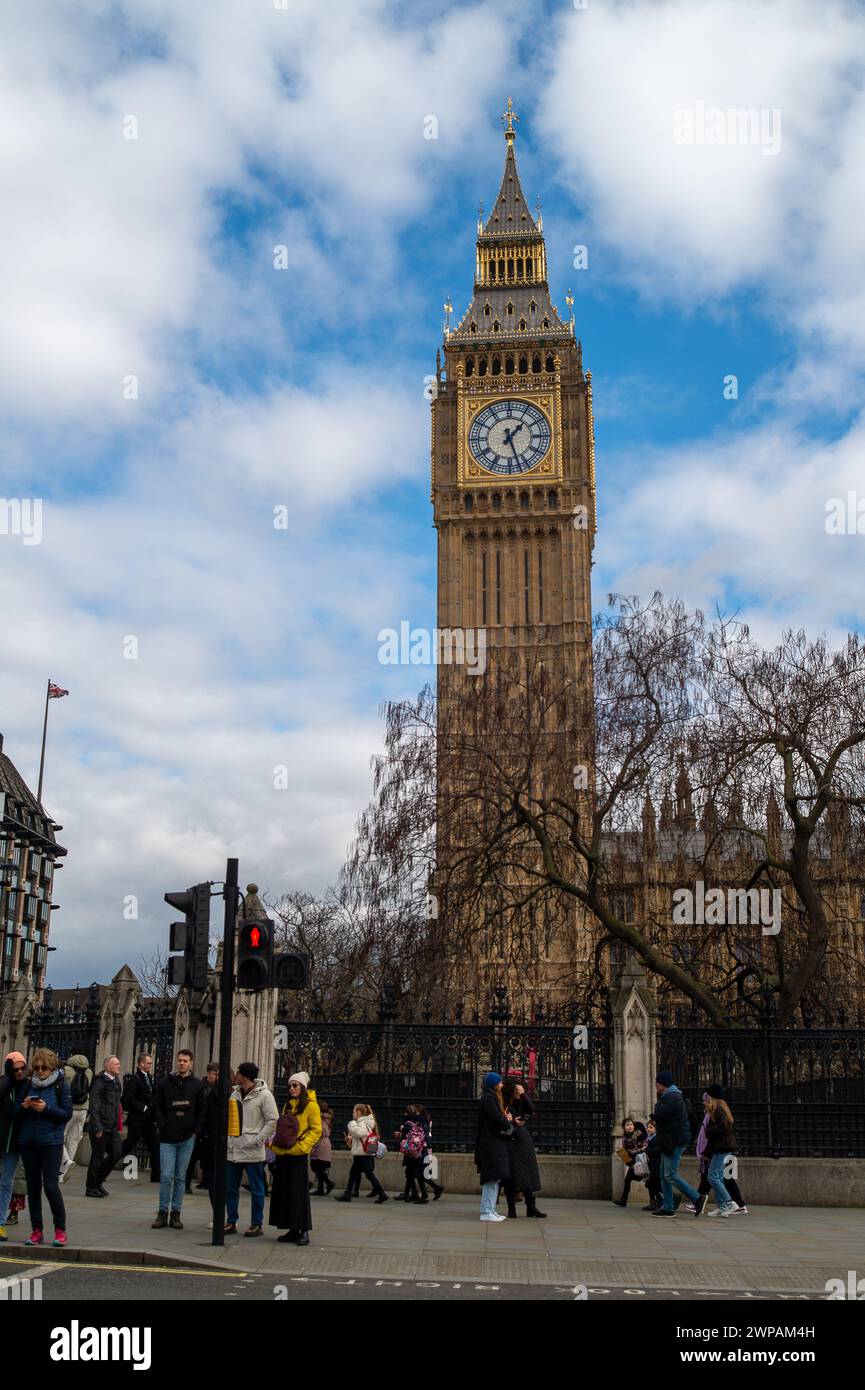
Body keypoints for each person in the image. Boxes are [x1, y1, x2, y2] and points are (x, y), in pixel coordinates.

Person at [17, 1047, 72, 1247]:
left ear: (52, 1067)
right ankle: (36, 1231)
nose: (40, 1072)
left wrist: (46, 1109)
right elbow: (15, 1113)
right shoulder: (28, 1085)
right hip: (28, 1142)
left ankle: (60, 1230)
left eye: (44, 1068)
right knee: (33, 1188)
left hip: (51, 1143)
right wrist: (23, 1107)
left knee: (50, 1186)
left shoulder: (61, 1086)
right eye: (37, 1068)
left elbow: (66, 1114)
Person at [151, 1049, 205, 1229]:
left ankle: (176, 1213)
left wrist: (196, 1130)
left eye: (185, 1061)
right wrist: (162, 1123)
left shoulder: (197, 1085)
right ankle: (162, 1212)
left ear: (191, 1063)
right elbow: (156, 1105)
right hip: (167, 1136)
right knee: (166, 1176)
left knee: (180, 1177)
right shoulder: (164, 1083)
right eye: (179, 1060)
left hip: (188, 1136)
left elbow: (202, 1109)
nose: (182, 1063)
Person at [224, 1062, 278, 1237]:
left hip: (253, 1150)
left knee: (256, 1188)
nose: (235, 1076)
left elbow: (273, 1121)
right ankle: (231, 1221)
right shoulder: (234, 1094)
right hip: (234, 1148)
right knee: (231, 1187)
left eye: (238, 1073)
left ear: (244, 1076)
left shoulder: (265, 1095)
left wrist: (258, 1140)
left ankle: (256, 1223)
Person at [269, 1071, 322, 1244]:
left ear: (303, 1087)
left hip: (297, 1154)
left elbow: (316, 1130)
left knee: (299, 1193)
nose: (291, 1088)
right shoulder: (288, 1105)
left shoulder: (311, 1106)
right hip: (284, 1152)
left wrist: (302, 1147)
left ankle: (304, 1230)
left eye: (295, 1085)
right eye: (290, 1085)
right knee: (286, 1192)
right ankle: (292, 1228)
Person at [651, 1069, 702, 1217]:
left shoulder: (671, 1097)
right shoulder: (671, 1096)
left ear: (663, 1083)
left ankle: (697, 1198)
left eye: (657, 1083)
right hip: (670, 1140)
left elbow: (659, 1114)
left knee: (670, 1174)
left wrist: (657, 1107)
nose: (655, 1085)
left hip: (673, 1141)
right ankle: (668, 1206)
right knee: (663, 1174)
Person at [501, 1079, 546, 1218]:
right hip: (511, 1141)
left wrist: (524, 1095)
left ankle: (531, 1207)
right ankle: (511, 1208)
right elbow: (504, 1118)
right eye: (517, 1091)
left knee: (529, 1174)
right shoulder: (503, 1103)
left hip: (523, 1141)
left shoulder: (521, 1101)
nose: (518, 1094)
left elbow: (531, 1109)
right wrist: (514, 1120)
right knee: (512, 1176)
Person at [474, 1071, 512, 1222]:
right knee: (492, 1177)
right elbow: (496, 1119)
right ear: (495, 1084)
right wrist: (506, 1119)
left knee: (495, 1178)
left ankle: (491, 1210)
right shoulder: (489, 1099)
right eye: (500, 1082)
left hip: (492, 1142)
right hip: (490, 1143)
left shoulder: (490, 1097)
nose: (502, 1084)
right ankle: (486, 1211)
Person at [335, 1102, 388, 1205]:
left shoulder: (362, 1123)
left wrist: (352, 1124)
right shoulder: (365, 1123)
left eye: (353, 1112)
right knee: (355, 1174)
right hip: (362, 1155)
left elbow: (359, 1132)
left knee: (368, 1175)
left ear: (359, 1112)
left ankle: (382, 1194)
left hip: (363, 1155)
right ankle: (347, 1194)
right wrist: (350, 1139)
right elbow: (360, 1136)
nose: (352, 1114)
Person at [85, 1055, 124, 1197]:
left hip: (112, 1126)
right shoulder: (100, 1082)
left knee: (116, 1153)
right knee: (97, 1157)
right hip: (100, 1127)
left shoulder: (116, 1082)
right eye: (115, 1064)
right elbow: (94, 1105)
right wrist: (97, 1127)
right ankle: (91, 1187)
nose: (118, 1066)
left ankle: (98, 1181)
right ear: (107, 1066)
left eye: (119, 1064)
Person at [0, 1052, 28, 1240]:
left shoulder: (27, 1086)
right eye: (15, 1069)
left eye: (22, 1068)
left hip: (14, 1143)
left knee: (6, 1183)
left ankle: (0, 1223)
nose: (19, 1072)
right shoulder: (3, 1084)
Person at [121, 1054, 160, 1184]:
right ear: (141, 1064)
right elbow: (128, 1098)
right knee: (128, 1144)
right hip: (137, 1120)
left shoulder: (148, 1078)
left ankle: (156, 1175)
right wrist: (143, 1107)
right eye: (148, 1063)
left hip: (148, 1120)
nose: (150, 1065)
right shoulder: (135, 1079)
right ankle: (109, 1161)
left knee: (155, 1146)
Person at [60, 1052, 92, 1181]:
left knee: (59, 1135)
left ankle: (66, 1161)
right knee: (74, 1140)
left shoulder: (66, 1071)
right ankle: (63, 1172)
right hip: (83, 1108)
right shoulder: (89, 1072)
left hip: (69, 1108)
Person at [395, 1103, 430, 1202]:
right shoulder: (420, 1121)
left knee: (413, 1174)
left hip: (411, 1153)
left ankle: (420, 1194)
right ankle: (414, 1194)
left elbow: (404, 1138)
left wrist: (399, 1135)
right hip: (420, 1151)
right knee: (412, 1174)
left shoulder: (407, 1124)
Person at [612, 1116, 648, 1208]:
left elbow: (644, 1146)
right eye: (627, 1125)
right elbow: (624, 1152)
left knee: (651, 1182)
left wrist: (632, 1152)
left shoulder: (638, 1134)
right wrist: (629, 1162)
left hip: (643, 1161)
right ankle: (623, 1201)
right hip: (634, 1163)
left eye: (631, 1124)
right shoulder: (624, 1139)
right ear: (624, 1127)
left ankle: (661, 1199)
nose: (630, 1126)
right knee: (627, 1180)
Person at [199, 1062, 220, 1202]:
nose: (216, 1077)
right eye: (215, 1074)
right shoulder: (202, 1087)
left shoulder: (222, 1090)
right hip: (205, 1132)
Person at [309, 1099, 335, 1196]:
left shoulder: (319, 1119)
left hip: (320, 1144)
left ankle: (328, 1182)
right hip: (326, 1144)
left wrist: (312, 1147)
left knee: (315, 1166)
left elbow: (318, 1132)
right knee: (320, 1167)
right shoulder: (328, 1118)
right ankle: (320, 1189)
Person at [642, 1117, 662, 1211]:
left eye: (651, 1127)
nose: (648, 1129)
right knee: (650, 1184)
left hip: (656, 1165)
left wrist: (646, 1149)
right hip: (650, 1165)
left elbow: (656, 1151)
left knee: (655, 1185)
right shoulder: (649, 1139)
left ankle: (658, 1202)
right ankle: (652, 1202)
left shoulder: (656, 1139)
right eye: (647, 1127)